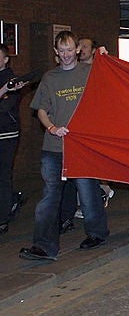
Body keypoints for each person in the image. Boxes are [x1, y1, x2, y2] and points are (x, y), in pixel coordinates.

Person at [20, 31, 109, 261]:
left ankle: (97, 232)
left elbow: (113, 85)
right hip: (54, 147)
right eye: (62, 51)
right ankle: (43, 246)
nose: (66, 55)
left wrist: (106, 59)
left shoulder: (90, 72)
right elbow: (41, 110)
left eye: (70, 50)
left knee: (88, 192)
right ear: (55, 52)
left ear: (78, 50)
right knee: (49, 196)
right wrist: (51, 128)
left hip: (82, 146)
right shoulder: (50, 78)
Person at [0, 45, 27, 234]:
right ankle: (12, 199)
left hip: (6, 135)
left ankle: (3, 217)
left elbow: (4, 108)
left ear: (5, 59)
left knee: (2, 175)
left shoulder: (12, 81)